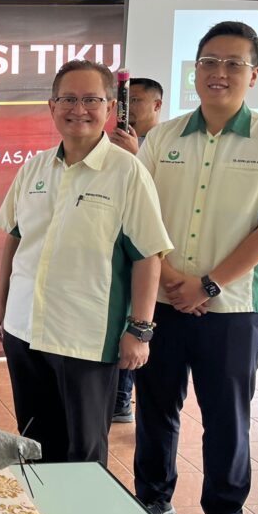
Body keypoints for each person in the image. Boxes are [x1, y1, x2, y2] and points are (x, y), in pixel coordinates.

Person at [133, 21, 258, 514]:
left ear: (254, 75)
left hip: (234, 309)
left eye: (234, 63)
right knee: (156, 409)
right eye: (210, 61)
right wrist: (170, 281)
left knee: (228, 420)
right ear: (195, 70)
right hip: (163, 303)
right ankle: (151, 502)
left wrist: (207, 283)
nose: (220, 72)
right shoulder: (161, 139)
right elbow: (140, 218)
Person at [0, 59, 172, 467]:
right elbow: (15, 240)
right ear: (52, 106)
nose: (79, 109)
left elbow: (148, 255)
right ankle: (44, 509)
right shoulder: (34, 168)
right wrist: (1, 305)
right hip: (24, 330)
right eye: (68, 99)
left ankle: (86, 512)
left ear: (109, 107)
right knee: (35, 444)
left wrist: (140, 330)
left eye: (91, 99)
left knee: (84, 452)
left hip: (85, 338)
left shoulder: (127, 172)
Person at [109, 77, 164, 423]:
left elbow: (161, 197)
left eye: (137, 101)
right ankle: (120, 397)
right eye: (124, 102)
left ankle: (123, 398)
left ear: (157, 105)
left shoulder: (161, 144)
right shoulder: (111, 141)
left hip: (157, 258)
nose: (128, 109)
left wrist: (135, 156)